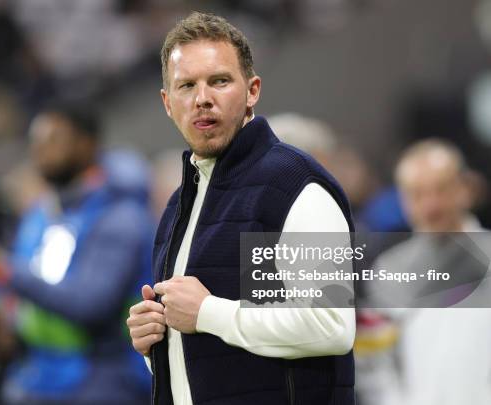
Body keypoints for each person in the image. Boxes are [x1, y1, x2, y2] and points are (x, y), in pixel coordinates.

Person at [126, 12, 356, 405]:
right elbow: (213, 352)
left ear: (252, 91)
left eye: (219, 81)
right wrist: (157, 344)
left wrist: (208, 313)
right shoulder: (177, 205)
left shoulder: (295, 185)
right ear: (167, 102)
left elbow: (331, 324)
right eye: (186, 85)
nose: (202, 98)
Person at [0, 101, 154, 405]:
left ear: (86, 144)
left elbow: (89, 303)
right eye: (35, 141)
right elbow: (23, 288)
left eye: (53, 140)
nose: (40, 150)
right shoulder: (40, 212)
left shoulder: (120, 218)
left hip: (101, 377)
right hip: (36, 371)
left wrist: (2, 268)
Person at [361, 139, 491, 405]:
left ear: (465, 189)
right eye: (417, 194)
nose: (431, 206)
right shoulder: (389, 271)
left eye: (441, 189)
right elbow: (375, 364)